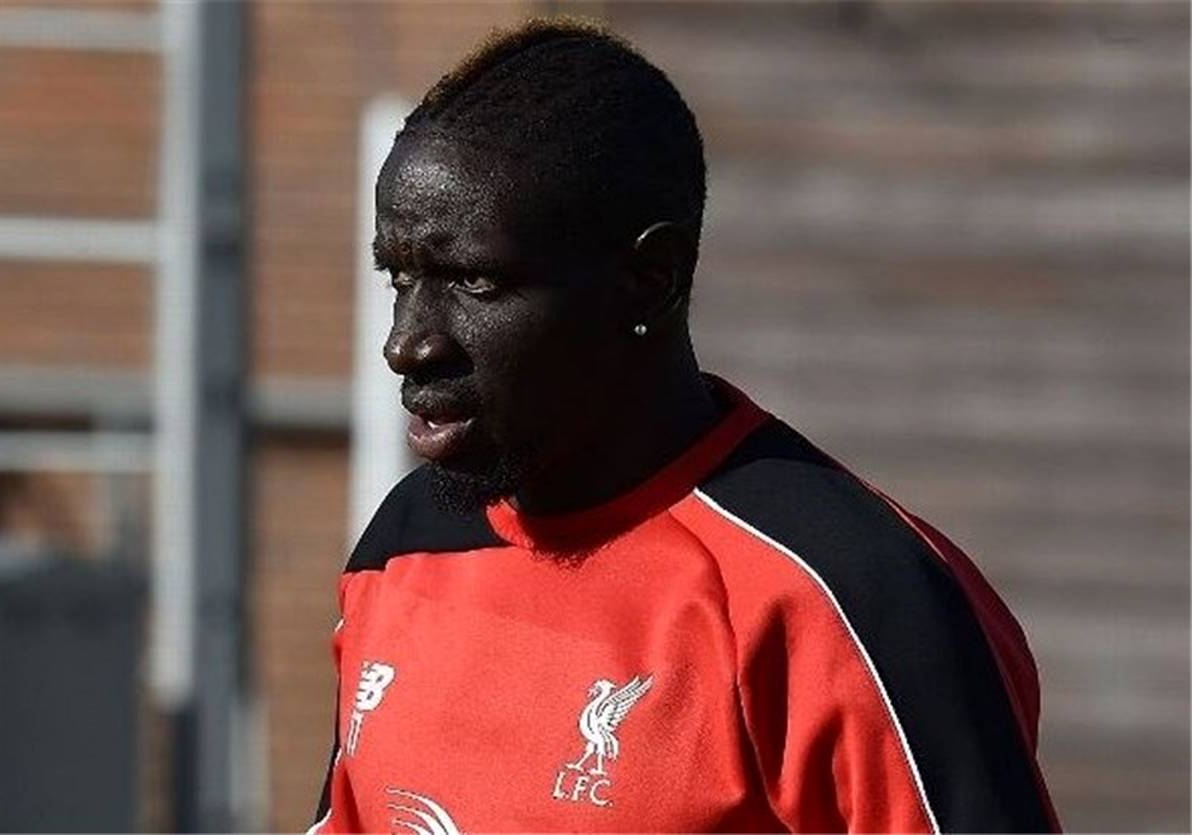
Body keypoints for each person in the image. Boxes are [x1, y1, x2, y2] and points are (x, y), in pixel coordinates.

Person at [310, 18, 1060, 834]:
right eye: (400, 276)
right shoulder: (407, 542)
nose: (407, 343)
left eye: (474, 282)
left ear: (649, 280)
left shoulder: (853, 596)